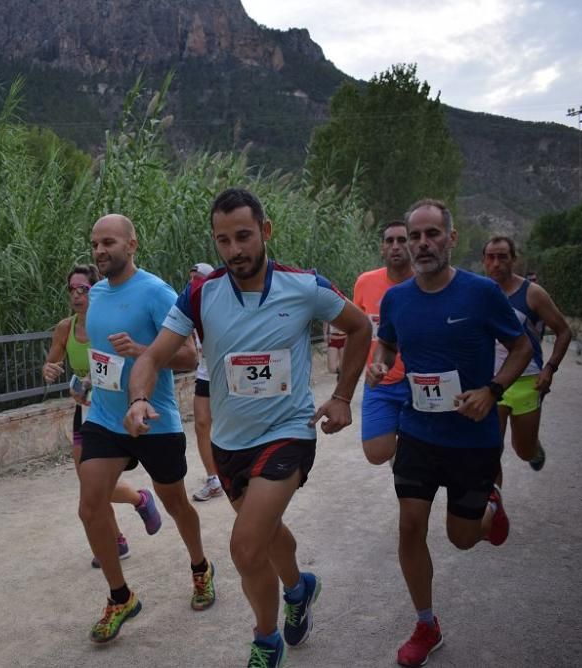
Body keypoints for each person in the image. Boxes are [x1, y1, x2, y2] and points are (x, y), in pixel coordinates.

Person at [124, 188, 371, 668]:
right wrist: (137, 398)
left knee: (244, 544)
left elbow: (361, 327)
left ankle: (265, 640)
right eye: (223, 240)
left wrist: (342, 396)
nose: (235, 250)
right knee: (268, 532)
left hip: (288, 433)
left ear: (265, 231)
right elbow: (153, 356)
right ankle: (299, 589)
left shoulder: (304, 287)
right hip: (229, 444)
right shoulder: (201, 293)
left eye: (243, 236)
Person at [367, 199, 532, 668]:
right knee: (410, 524)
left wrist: (493, 390)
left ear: (451, 239)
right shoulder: (396, 298)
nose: (421, 244)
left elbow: (521, 346)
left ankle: (489, 508)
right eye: (414, 235)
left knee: (461, 538)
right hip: (418, 431)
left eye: (431, 234)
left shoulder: (480, 293)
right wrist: (381, 363)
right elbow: (388, 342)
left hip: (472, 438)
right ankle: (426, 623)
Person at [79, 214, 213, 645]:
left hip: (154, 419)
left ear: (132, 244)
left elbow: (190, 357)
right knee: (90, 504)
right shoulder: (96, 294)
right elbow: (101, 359)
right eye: (96, 243)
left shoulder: (157, 292)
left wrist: (144, 352)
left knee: (175, 502)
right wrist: (88, 383)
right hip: (104, 416)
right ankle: (121, 597)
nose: (101, 251)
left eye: (110, 242)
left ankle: (200, 566)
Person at [42, 265, 156, 568]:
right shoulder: (65, 328)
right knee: (89, 485)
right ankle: (117, 538)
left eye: (84, 289)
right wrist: (49, 369)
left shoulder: (107, 323)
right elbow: (51, 361)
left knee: (99, 485)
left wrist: (95, 381)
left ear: (97, 290)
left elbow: (124, 363)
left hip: (114, 408)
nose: (77, 295)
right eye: (72, 289)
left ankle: (140, 499)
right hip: (86, 411)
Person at [482, 236, 572, 475]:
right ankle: (492, 505)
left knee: (523, 450)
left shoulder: (532, 294)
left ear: (514, 260)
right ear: (484, 261)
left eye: (502, 257)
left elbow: (564, 331)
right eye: (491, 257)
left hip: (528, 381)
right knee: (491, 451)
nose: (496, 263)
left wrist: (550, 369)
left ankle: (534, 449)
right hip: (494, 382)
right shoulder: (478, 293)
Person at [353, 220, 414, 465]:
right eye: (390, 241)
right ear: (382, 248)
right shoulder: (365, 283)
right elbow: (356, 332)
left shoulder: (426, 283)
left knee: (420, 458)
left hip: (418, 382)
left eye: (402, 240)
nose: (396, 246)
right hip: (381, 381)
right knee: (376, 454)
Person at [188, 262, 224, 502]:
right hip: (205, 374)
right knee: (201, 424)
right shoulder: (190, 307)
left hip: (229, 375)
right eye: (190, 279)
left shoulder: (224, 305)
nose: (192, 283)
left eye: (197, 278)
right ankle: (213, 479)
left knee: (231, 425)